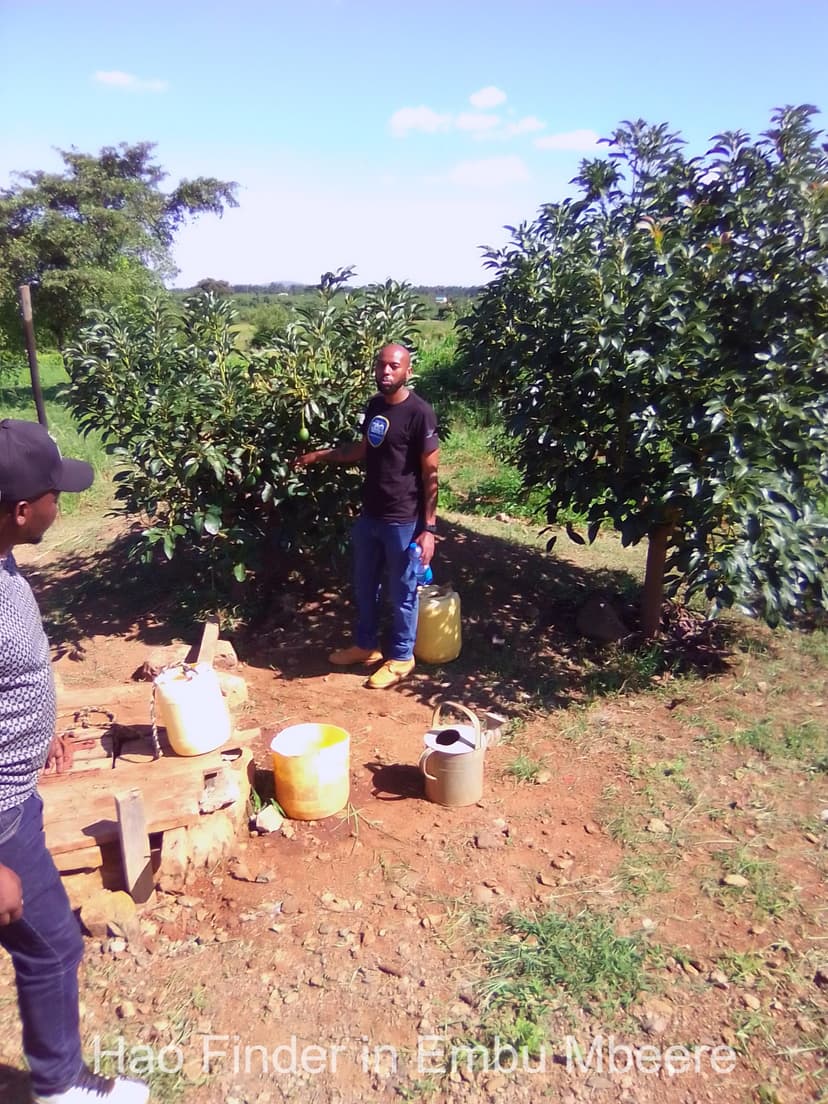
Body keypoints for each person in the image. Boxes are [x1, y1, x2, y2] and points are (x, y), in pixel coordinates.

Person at [0, 419, 148, 1104]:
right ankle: (60, 1087)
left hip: (14, 791)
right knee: (53, 944)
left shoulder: (2, 560)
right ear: (23, 509)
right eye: (57, 492)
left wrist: (37, 734)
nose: (66, 502)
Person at [296, 343, 439, 689]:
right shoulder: (375, 406)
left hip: (403, 520)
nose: (386, 371)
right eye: (381, 365)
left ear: (407, 371)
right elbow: (363, 448)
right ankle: (366, 646)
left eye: (394, 366)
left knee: (402, 589)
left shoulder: (420, 413)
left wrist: (429, 529)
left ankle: (402, 657)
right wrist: (319, 456)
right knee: (364, 585)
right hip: (370, 515)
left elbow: (431, 473)